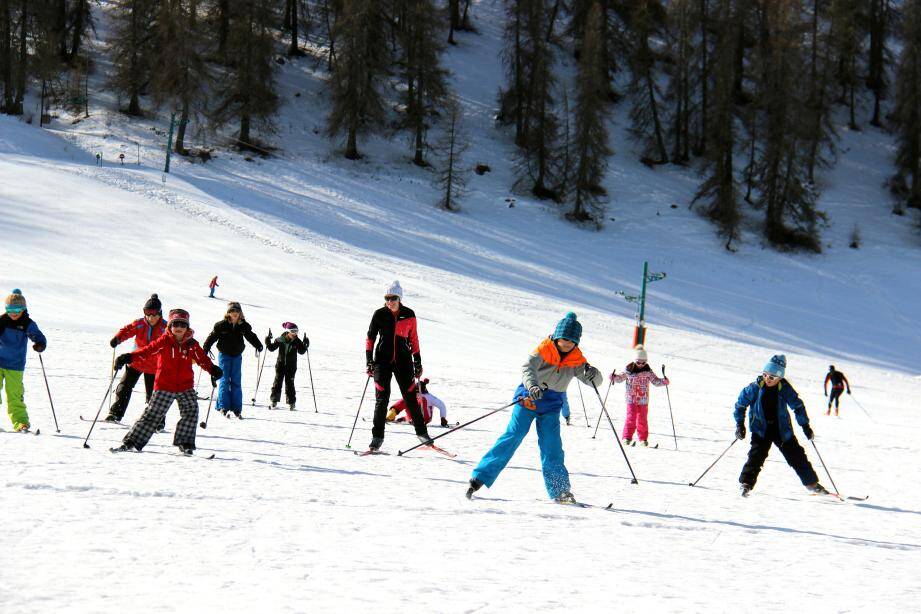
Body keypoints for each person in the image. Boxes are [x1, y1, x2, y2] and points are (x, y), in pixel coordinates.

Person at [466, 312, 603, 503]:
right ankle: (480, 477)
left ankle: (560, 490)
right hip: (529, 397)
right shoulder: (543, 349)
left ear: (576, 343)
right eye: (563, 340)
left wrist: (593, 374)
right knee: (514, 435)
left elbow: (596, 382)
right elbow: (527, 368)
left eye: (571, 342)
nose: (566, 345)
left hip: (552, 404)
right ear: (556, 337)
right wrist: (532, 386)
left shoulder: (577, 360)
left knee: (552, 446)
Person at [112, 309, 222, 455]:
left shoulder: (192, 344)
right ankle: (131, 442)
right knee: (152, 415)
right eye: (175, 324)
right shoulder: (164, 341)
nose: (179, 328)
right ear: (170, 326)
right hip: (164, 385)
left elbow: (202, 359)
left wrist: (213, 369)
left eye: (182, 325)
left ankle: (185, 443)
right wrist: (128, 357)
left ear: (187, 328)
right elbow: (146, 351)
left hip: (185, 385)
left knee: (191, 412)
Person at [734, 354, 828, 497]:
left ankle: (812, 485)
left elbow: (798, 406)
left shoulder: (784, 388)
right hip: (761, 430)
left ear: (779, 377)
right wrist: (740, 425)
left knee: (797, 456)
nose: (767, 379)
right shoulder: (754, 388)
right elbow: (740, 405)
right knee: (756, 456)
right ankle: (746, 484)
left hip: (781, 430)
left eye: (772, 377)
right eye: (765, 374)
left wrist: (805, 426)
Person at [365, 281, 433, 451]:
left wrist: (417, 361)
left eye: (393, 298)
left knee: (410, 398)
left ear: (399, 298)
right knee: (382, 400)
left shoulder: (409, 314)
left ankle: (422, 434)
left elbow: (414, 339)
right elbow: (370, 338)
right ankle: (377, 437)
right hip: (382, 362)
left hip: (404, 362)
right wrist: (369, 361)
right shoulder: (379, 314)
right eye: (387, 298)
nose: (390, 301)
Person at [106, 294, 167, 425]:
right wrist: (118, 338)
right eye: (147, 313)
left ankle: (158, 422)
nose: (150, 317)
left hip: (154, 367)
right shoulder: (140, 324)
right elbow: (127, 330)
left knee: (154, 395)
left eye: (154, 314)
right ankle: (115, 413)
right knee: (124, 387)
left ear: (160, 313)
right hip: (136, 362)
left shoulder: (165, 328)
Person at [203, 301, 263, 418]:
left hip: (236, 356)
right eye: (232, 311)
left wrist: (258, 345)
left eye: (237, 311)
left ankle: (236, 408)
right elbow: (213, 336)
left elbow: (251, 336)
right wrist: (206, 347)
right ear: (228, 313)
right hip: (224, 355)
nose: (234, 313)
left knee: (236, 381)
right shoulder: (222, 325)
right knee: (224, 379)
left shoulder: (243, 326)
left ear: (240, 313)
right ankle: (223, 406)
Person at [0, 290, 47, 432]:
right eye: (9, 309)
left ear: (23, 309)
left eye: (16, 309)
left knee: (15, 395)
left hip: (15, 365)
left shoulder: (27, 323)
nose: (13, 313)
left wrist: (39, 344)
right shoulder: (2, 321)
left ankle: (21, 423)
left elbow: (38, 336)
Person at [609, 345, 668, 446]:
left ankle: (643, 439)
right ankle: (627, 438)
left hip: (643, 400)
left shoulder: (648, 372)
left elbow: (656, 381)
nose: (641, 365)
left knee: (642, 419)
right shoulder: (628, 370)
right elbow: (620, 378)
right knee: (631, 418)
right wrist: (614, 377)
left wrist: (663, 381)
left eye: (643, 362)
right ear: (635, 361)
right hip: (631, 399)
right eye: (638, 362)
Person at [265, 322, 308, 410]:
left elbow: (301, 352)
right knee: (277, 382)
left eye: (296, 331)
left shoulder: (297, 341)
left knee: (290, 384)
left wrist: (305, 344)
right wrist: (268, 341)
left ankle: (291, 403)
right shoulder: (280, 340)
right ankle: (274, 400)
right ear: (288, 331)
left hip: (291, 366)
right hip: (280, 364)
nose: (295, 333)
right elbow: (271, 348)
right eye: (293, 331)